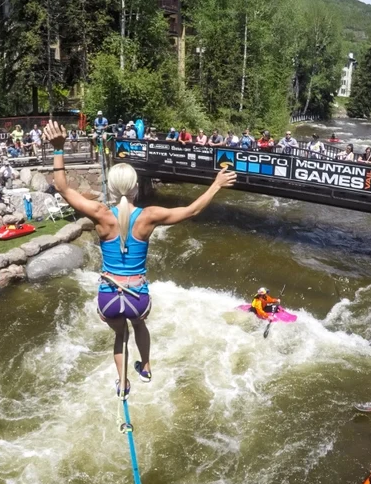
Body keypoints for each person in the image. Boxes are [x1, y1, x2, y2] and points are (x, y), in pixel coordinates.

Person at [42, 120, 236, 398]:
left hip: (109, 295)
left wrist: (58, 149)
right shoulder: (149, 216)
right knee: (139, 324)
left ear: (110, 187)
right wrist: (216, 184)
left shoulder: (100, 214)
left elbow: (62, 187)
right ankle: (144, 367)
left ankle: (122, 383)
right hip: (137, 295)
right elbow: (192, 211)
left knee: (120, 336)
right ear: (135, 189)